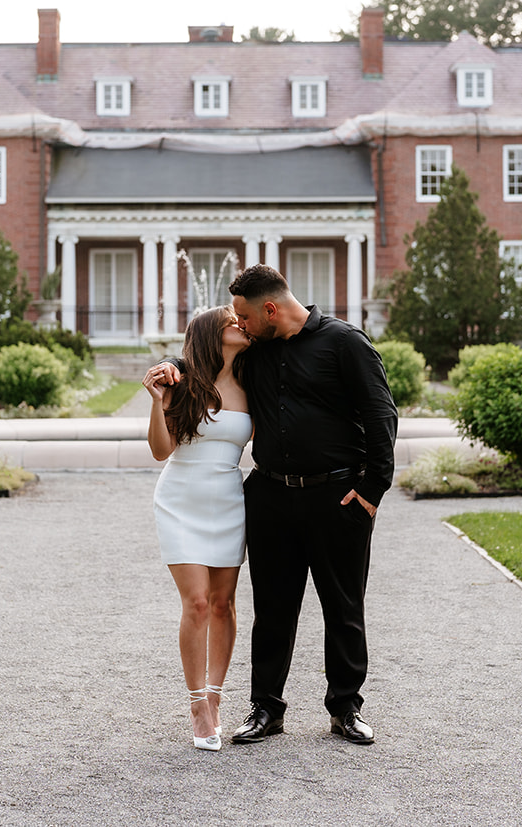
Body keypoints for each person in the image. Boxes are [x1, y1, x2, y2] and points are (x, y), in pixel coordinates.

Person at [149, 264, 397, 746]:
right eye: (233, 319)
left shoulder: (346, 343)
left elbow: (381, 414)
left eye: (243, 315)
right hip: (270, 496)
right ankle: (266, 708)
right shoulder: (255, 352)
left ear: (269, 309)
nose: (239, 324)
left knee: (343, 607)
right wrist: (169, 367)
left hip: (337, 496)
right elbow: (201, 357)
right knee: (272, 609)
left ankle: (345, 708)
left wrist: (371, 492)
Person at [142, 305, 252, 751]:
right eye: (232, 322)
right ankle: (195, 704)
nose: (241, 325)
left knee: (224, 604)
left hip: (229, 501)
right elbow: (159, 451)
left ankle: (215, 695)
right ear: (212, 334)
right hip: (180, 501)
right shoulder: (181, 383)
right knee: (198, 604)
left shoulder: (252, 380)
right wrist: (156, 402)